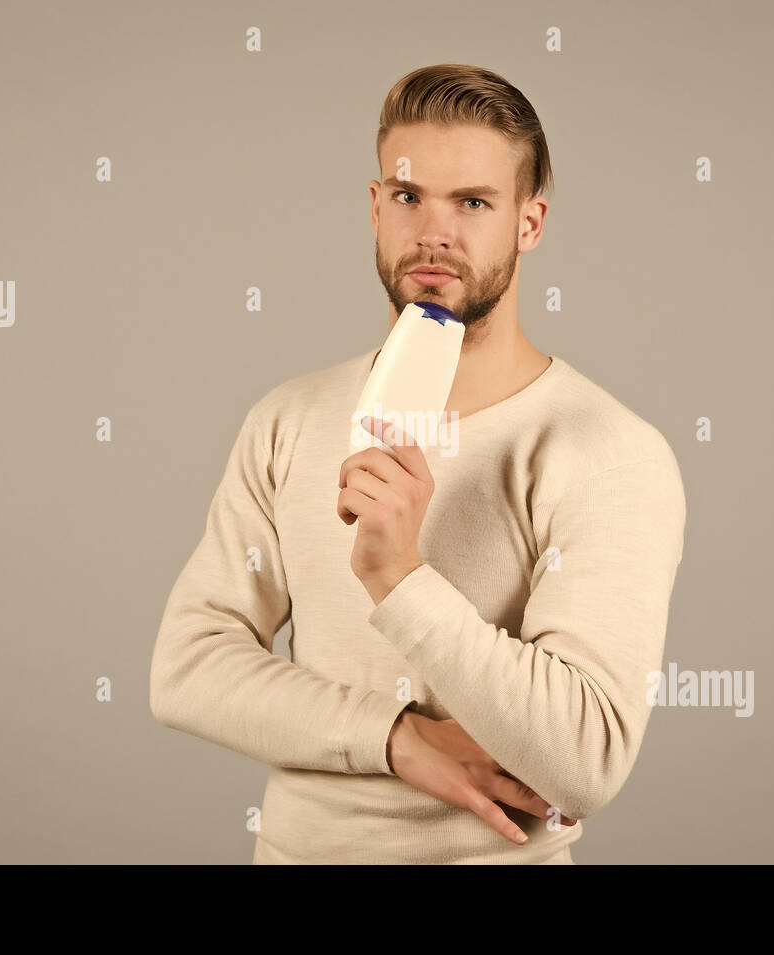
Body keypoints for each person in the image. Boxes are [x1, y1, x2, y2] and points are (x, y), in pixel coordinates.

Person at [149, 63, 687, 864]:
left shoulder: (605, 450)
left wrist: (400, 578)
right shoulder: (288, 419)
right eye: (409, 197)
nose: (434, 231)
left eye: (472, 202)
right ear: (376, 207)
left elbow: (587, 756)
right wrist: (395, 736)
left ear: (529, 222)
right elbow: (187, 669)